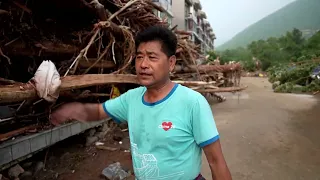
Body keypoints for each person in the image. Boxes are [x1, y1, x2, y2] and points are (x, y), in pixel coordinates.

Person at [50, 25, 232, 180]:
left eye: (152, 57)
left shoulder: (193, 103)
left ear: (170, 63)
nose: (143, 64)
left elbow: (216, 162)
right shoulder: (131, 99)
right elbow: (98, 112)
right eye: (139, 57)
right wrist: (72, 109)